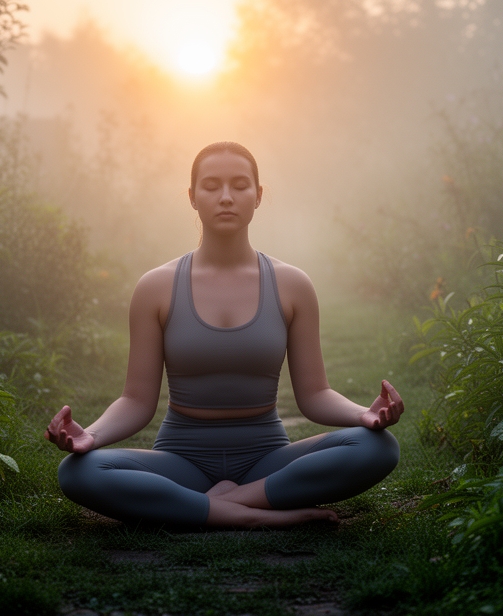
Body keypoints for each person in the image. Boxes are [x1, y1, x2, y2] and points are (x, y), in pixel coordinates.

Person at [47, 142, 403, 528]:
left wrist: (363, 415)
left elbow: (315, 395)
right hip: (181, 460)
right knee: (76, 471)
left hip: (266, 460)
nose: (227, 198)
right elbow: (136, 400)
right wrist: (91, 436)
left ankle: (217, 505)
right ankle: (256, 517)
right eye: (212, 186)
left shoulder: (291, 284)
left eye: (240, 185)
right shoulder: (156, 287)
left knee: (378, 448)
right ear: (192, 198)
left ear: (258, 196)